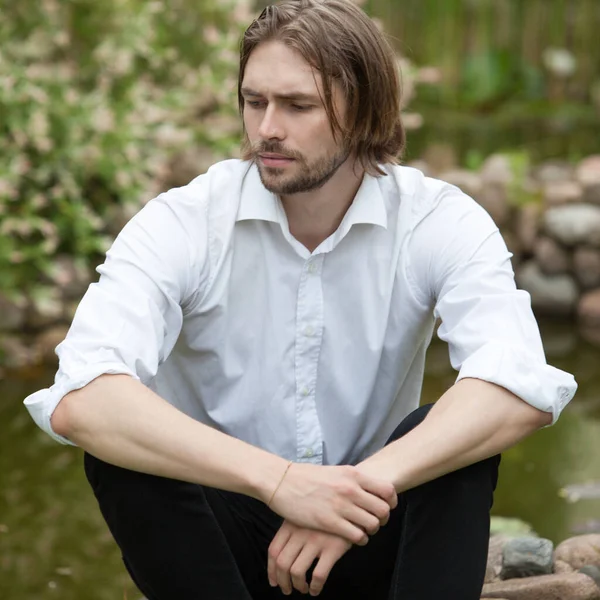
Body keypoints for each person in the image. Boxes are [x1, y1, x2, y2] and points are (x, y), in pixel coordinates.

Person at [24, 0, 577, 598]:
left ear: (364, 110)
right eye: (254, 101)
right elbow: (81, 397)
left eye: (297, 105)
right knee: (122, 453)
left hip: (369, 530)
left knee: (454, 437)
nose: (267, 129)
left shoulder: (436, 220)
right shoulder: (183, 223)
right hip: (226, 549)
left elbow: (518, 384)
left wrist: (357, 488)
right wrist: (282, 482)